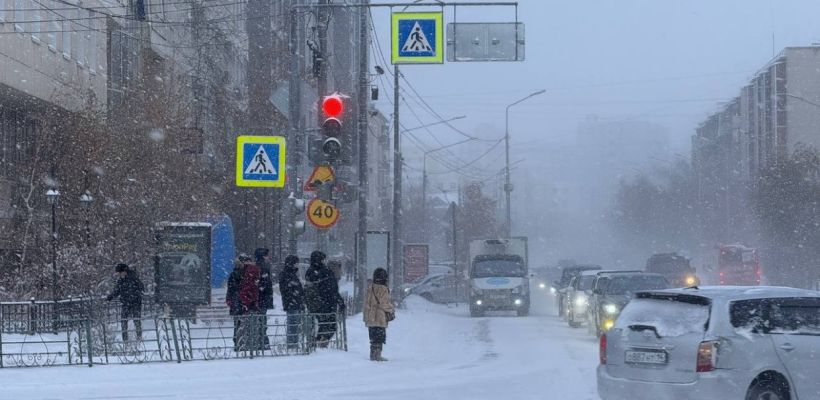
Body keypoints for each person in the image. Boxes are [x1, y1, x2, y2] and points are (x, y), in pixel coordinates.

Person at [304, 251, 345, 348]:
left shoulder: (310, 271)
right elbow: (333, 290)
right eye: (323, 259)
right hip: (328, 303)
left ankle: (318, 343)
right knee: (330, 326)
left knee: (322, 325)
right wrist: (340, 302)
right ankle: (321, 345)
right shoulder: (325, 271)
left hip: (315, 303)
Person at [106, 263, 145, 342]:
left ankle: (138, 337)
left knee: (136, 320)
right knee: (124, 321)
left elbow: (141, 288)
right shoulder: (122, 280)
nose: (119, 275)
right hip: (126, 303)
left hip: (135, 303)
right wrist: (110, 297)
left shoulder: (133, 278)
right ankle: (125, 340)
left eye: (120, 273)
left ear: (124, 271)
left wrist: (134, 296)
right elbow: (117, 291)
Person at [364, 268, 394, 361]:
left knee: (373, 337)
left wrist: (366, 316)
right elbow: (384, 303)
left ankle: (373, 354)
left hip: (371, 317)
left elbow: (366, 303)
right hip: (379, 317)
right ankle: (377, 355)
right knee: (380, 337)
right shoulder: (383, 289)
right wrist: (391, 309)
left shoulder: (370, 287)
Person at [279, 255, 304, 350]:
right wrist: (295, 297)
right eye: (296, 263)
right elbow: (287, 290)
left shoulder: (291, 274)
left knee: (294, 324)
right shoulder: (287, 274)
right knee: (292, 324)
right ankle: (292, 345)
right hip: (291, 303)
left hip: (293, 302)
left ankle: (294, 344)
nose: (297, 265)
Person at [255, 248, 274, 349]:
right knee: (262, 321)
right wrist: (262, 288)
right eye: (266, 255)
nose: (268, 257)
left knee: (260, 321)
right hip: (262, 298)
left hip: (260, 298)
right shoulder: (263, 266)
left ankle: (261, 342)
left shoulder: (259, 265)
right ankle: (263, 343)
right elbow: (265, 282)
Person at [226, 258, 245, 350]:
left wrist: (229, 299)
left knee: (237, 323)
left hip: (235, 302)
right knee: (241, 323)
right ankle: (240, 343)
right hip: (241, 302)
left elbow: (230, 289)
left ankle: (237, 343)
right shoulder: (244, 275)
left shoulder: (232, 275)